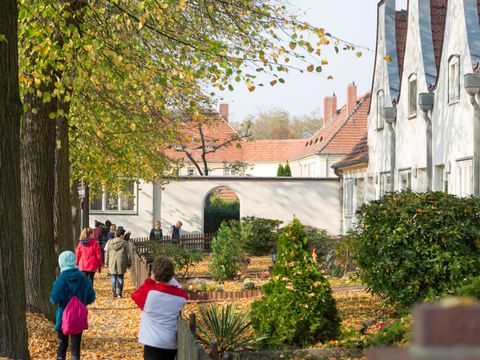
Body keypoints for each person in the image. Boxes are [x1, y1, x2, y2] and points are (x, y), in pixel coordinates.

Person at [132, 256, 188, 360]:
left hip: (152, 341)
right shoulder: (180, 296)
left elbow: (136, 295)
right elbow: (181, 290)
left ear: (153, 273)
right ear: (172, 275)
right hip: (170, 342)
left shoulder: (149, 293)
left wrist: (151, 280)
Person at [50, 251, 95, 360]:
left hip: (62, 318)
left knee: (62, 347)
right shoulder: (84, 279)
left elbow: (53, 299)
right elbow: (91, 298)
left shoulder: (60, 281)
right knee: (75, 349)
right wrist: (80, 302)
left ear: (61, 264)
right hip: (78, 318)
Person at [105, 226, 131, 298]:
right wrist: (129, 263)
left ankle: (113, 288)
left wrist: (106, 262)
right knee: (120, 277)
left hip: (112, 262)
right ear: (122, 235)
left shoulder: (110, 242)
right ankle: (119, 293)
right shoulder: (124, 243)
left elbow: (107, 253)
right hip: (121, 262)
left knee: (113, 277)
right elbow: (128, 254)